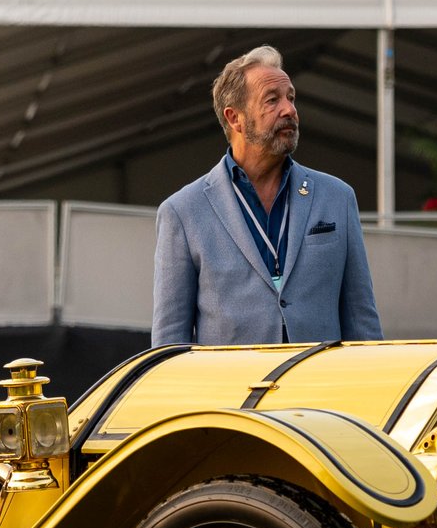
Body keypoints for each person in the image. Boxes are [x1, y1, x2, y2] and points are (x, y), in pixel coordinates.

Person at [151, 45, 380, 347]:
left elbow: (362, 323)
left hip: (321, 392)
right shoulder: (181, 212)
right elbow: (169, 344)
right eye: (272, 100)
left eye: (291, 97)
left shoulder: (338, 198)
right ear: (235, 119)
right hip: (232, 394)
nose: (289, 110)